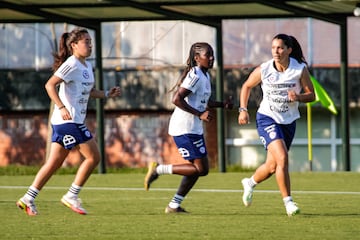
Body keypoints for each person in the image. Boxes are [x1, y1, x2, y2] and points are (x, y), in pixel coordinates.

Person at [16, 27, 121, 216]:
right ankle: (71, 196)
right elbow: (49, 85)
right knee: (94, 157)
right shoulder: (71, 63)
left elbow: (88, 92)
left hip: (68, 122)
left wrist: (106, 94)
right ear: (74, 45)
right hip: (69, 121)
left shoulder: (87, 66)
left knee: (54, 162)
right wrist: (62, 107)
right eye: (86, 42)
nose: (90, 45)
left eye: (90, 41)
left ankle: (27, 199)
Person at [144, 42, 233, 213]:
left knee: (201, 170)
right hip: (184, 127)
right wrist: (199, 114)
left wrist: (223, 104)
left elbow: (203, 102)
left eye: (213, 54)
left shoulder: (205, 76)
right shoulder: (195, 75)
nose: (212, 58)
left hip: (194, 128)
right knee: (199, 169)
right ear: (197, 58)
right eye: (208, 55)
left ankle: (174, 205)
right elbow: (177, 99)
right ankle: (159, 169)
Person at [238, 34, 315, 216]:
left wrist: (299, 97)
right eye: (273, 48)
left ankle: (249, 183)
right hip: (267, 118)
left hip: (288, 122)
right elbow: (246, 86)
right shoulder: (264, 69)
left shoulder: (299, 69)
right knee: (282, 159)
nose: (276, 52)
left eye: (280, 48)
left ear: (289, 50)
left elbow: (312, 95)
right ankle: (288, 202)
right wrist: (243, 109)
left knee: (272, 167)